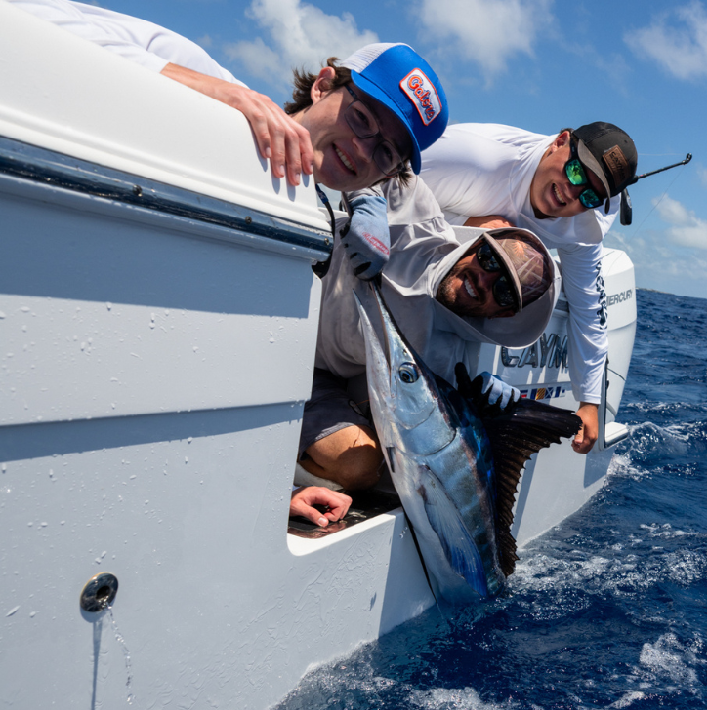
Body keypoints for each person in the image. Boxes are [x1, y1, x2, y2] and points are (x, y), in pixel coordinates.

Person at [12, 0, 452, 522]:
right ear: (323, 84)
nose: (361, 149)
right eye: (360, 118)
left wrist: (275, 490)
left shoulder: (326, 205)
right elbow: (27, 18)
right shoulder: (220, 89)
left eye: (385, 154)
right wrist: (213, 93)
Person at [292, 177, 559, 525]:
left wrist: (483, 417)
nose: (484, 280)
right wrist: (366, 199)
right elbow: (376, 161)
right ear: (475, 247)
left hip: (311, 375)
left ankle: (292, 472)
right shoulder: (419, 217)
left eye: (505, 292)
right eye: (490, 261)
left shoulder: (451, 362)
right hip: (281, 295)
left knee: (360, 467)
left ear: (504, 314)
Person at [419, 122, 638, 454]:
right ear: (560, 141)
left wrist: (590, 401)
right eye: (577, 172)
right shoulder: (476, 158)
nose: (573, 192)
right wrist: (463, 227)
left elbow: (589, 310)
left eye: (590, 195)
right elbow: (380, 184)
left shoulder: (584, 227)